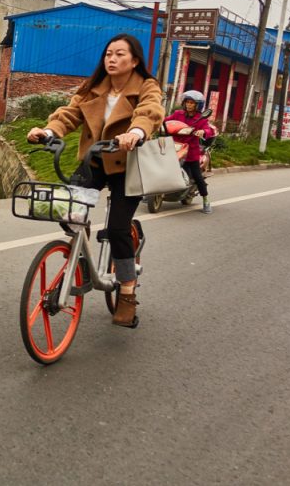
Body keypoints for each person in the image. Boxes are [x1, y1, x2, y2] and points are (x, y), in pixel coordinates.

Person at [26, 34, 163, 327]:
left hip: (129, 165)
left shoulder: (146, 86)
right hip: (96, 160)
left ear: (135, 60)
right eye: (108, 54)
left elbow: (150, 113)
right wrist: (48, 132)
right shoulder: (93, 88)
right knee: (69, 213)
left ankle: (126, 292)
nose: (111, 59)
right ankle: (83, 261)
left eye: (120, 54)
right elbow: (69, 113)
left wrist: (136, 133)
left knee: (116, 229)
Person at [164, 90, 216, 214]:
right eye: (187, 102)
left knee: (198, 177)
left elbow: (208, 130)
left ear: (198, 105)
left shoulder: (201, 119)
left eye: (192, 103)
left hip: (191, 153)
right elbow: (166, 121)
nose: (189, 104)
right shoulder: (178, 114)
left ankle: (206, 200)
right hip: (174, 147)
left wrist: (203, 132)